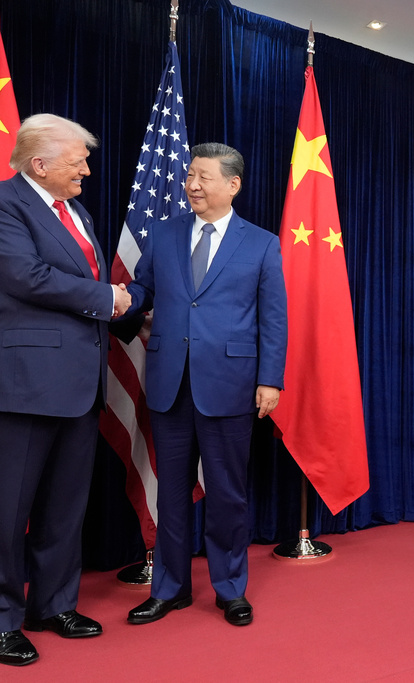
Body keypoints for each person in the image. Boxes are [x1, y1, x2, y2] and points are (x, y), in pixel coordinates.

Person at [0, 114, 132, 666]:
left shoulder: (74, 209)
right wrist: (109, 298)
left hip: (78, 385)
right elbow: (24, 276)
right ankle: (0, 622)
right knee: (7, 512)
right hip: (19, 384)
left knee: (64, 507)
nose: (85, 168)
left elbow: (74, 284)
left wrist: (123, 307)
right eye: (77, 159)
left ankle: (52, 606)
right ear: (40, 164)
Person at [124, 143, 287, 627]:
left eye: (202, 177)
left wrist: (269, 380)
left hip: (232, 386)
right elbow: (142, 292)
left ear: (232, 185)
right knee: (170, 494)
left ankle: (230, 588)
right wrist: (108, 300)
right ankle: (168, 589)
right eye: (189, 175)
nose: (191, 185)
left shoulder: (261, 243)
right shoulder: (165, 233)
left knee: (226, 494)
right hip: (170, 384)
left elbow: (272, 319)